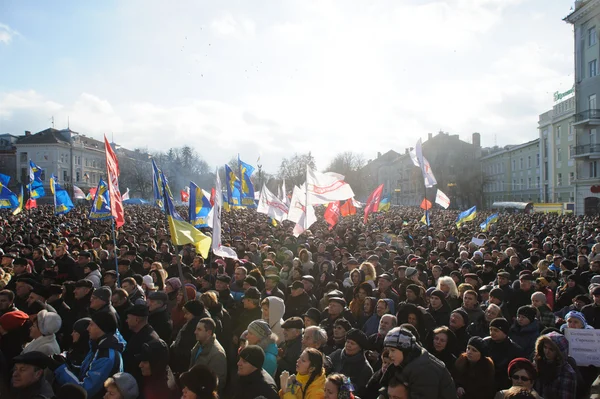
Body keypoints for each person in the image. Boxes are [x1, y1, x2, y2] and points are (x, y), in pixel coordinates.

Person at [52, 311, 124, 399]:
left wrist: (61, 370)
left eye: (91, 325)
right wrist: (69, 365)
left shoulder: (106, 356)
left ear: (101, 328)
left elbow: (85, 389)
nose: (88, 329)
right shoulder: (98, 346)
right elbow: (85, 371)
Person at [383, 327, 456, 399]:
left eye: (393, 350)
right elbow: (384, 386)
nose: (390, 355)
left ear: (405, 349)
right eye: (389, 351)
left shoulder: (424, 369)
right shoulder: (402, 362)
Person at [121, 303, 160, 387]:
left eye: (128, 318)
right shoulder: (140, 333)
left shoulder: (147, 340)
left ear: (136, 319)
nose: (126, 321)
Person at [329, 328, 373, 397]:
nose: (348, 345)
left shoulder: (365, 368)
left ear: (360, 348)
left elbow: (358, 390)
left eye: (352, 343)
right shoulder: (336, 354)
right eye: (347, 342)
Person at [533, 331, 577, 399]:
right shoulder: (538, 364)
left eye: (551, 349)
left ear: (559, 352)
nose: (547, 352)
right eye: (545, 347)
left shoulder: (566, 373)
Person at [484, 318, 524, 391]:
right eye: (491, 329)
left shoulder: (515, 350)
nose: (492, 333)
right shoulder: (485, 343)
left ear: (504, 332)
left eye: (496, 330)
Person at [189, 318, 227, 394]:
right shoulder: (199, 344)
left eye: (199, 329)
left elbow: (218, 384)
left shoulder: (217, 354)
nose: (195, 332)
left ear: (209, 332)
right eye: (196, 329)